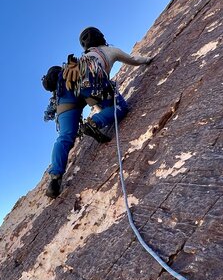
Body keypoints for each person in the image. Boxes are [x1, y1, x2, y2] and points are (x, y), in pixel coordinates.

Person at [43, 27, 152, 198]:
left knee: (64, 136)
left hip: (66, 90)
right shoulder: (109, 50)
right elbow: (133, 59)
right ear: (101, 37)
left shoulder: (80, 60)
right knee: (119, 108)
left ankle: (55, 178)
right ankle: (94, 123)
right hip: (90, 81)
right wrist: (148, 60)